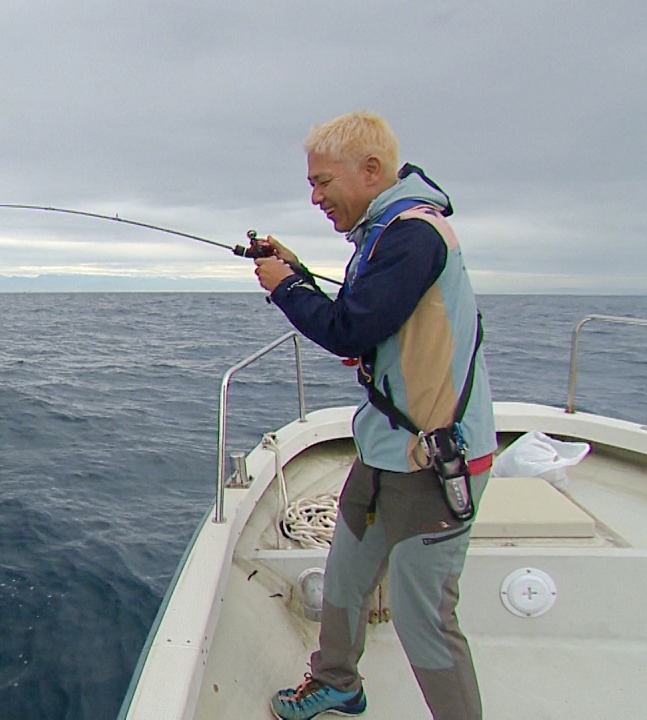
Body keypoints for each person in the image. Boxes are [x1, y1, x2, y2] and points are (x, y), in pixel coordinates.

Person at [253, 110, 495, 720]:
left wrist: (285, 288)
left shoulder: (415, 234)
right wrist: (298, 270)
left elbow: (349, 327)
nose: (315, 197)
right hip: (385, 450)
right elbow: (372, 320)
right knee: (346, 575)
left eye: (322, 182)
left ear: (369, 170)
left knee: (424, 620)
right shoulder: (386, 236)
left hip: (434, 461)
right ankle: (338, 682)